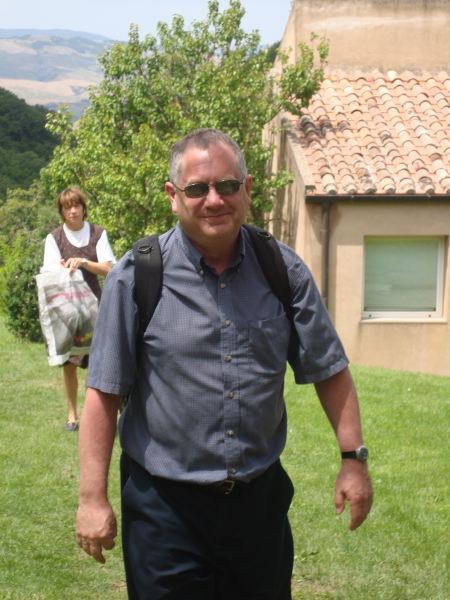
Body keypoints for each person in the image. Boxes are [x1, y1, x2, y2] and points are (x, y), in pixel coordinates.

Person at [76, 128, 373, 599]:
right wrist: (92, 499)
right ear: (173, 196)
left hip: (258, 507)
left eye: (227, 185)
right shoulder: (137, 276)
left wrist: (353, 461)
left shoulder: (283, 270)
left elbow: (329, 369)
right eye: (197, 188)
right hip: (163, 510)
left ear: (247, 190)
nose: (214, 200)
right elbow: (104, 392)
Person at [42, 187, 116, 431]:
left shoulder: (98, 233)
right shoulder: (54, 238)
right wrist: (64, 268)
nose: (72, 211)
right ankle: (72, 415)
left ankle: (102, 414)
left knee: (102, 362)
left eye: (76, 205)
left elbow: (109, 269)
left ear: (84, 208)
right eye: (67, 207)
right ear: (61, 211)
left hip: (97, 307)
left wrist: (84, 262)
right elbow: (49, 273)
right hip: (67, 310)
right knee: (70, 362)